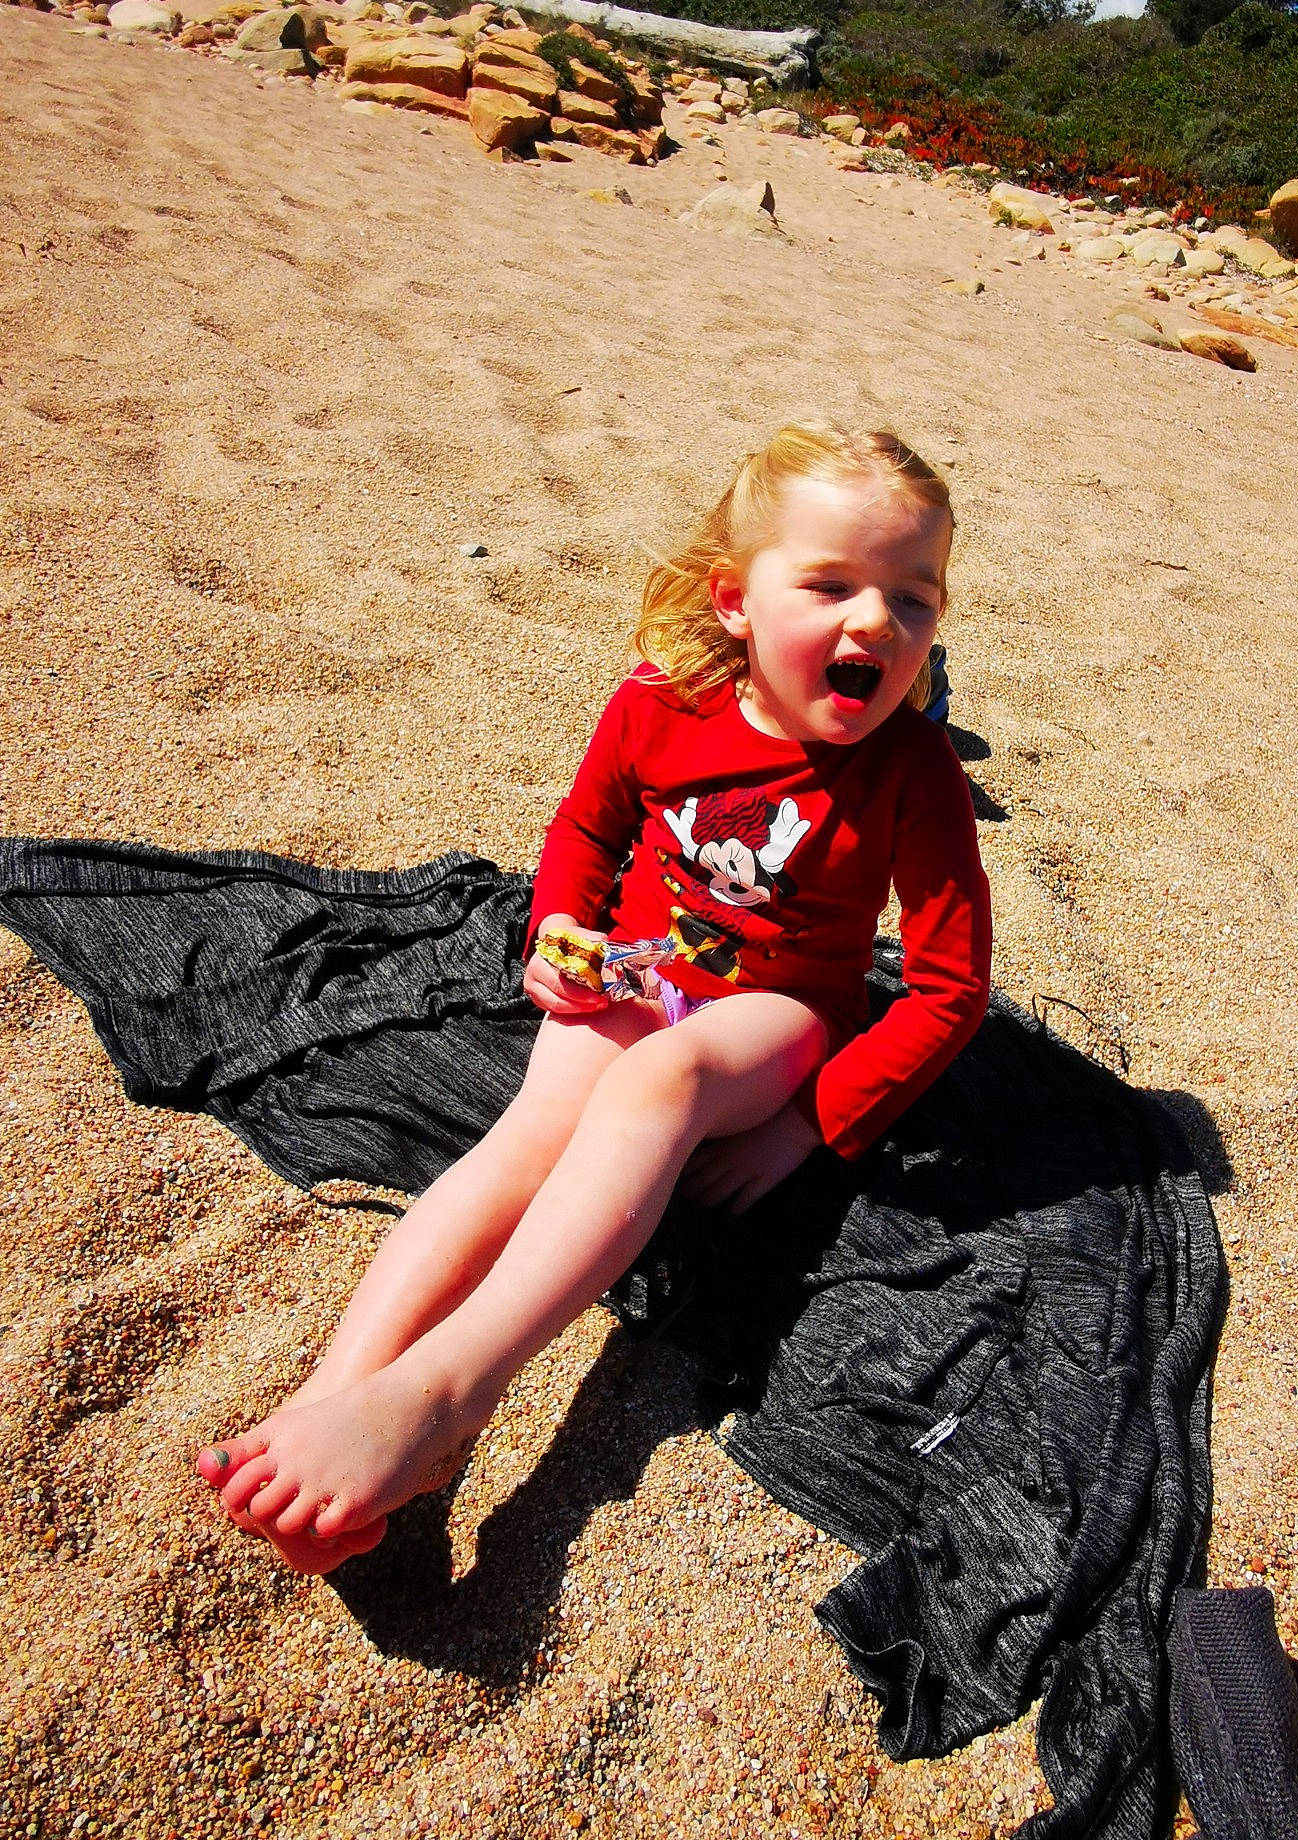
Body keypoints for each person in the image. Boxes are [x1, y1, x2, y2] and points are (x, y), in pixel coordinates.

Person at [196, 420, 993, 1572]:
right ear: (736, 601)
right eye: (830, 585)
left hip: (779, 1008)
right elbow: (586, 828)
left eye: (913, 598)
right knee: (521, 1144)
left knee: (663, 1079)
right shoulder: (662, 704)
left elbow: (947, 987)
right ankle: (337, 1387)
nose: (876, 621)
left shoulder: (914, 770)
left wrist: (809, 1125)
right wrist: (559, 928)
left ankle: (451, 1389)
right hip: (643, 964)